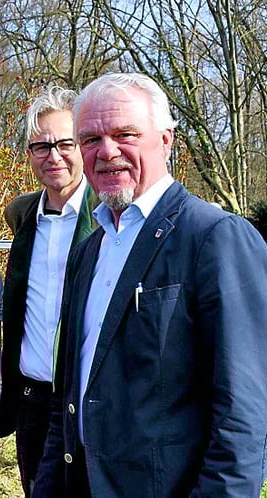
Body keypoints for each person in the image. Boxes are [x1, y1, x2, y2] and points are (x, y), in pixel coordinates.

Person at [33, 73, 267, 497]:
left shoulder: (214, 238)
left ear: (166, 140)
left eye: (126, 134)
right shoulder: (89, 250)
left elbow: (242, 418)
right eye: (90, 139)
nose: (107, 152)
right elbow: (66, 399)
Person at [0, 86, 98, 497]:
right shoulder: (23, 215)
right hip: (33, 399)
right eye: (41, 146)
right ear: (29, 154)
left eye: (64, 143)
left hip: (88, 398)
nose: (53, 156)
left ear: (83, 145)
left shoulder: (110, 214)